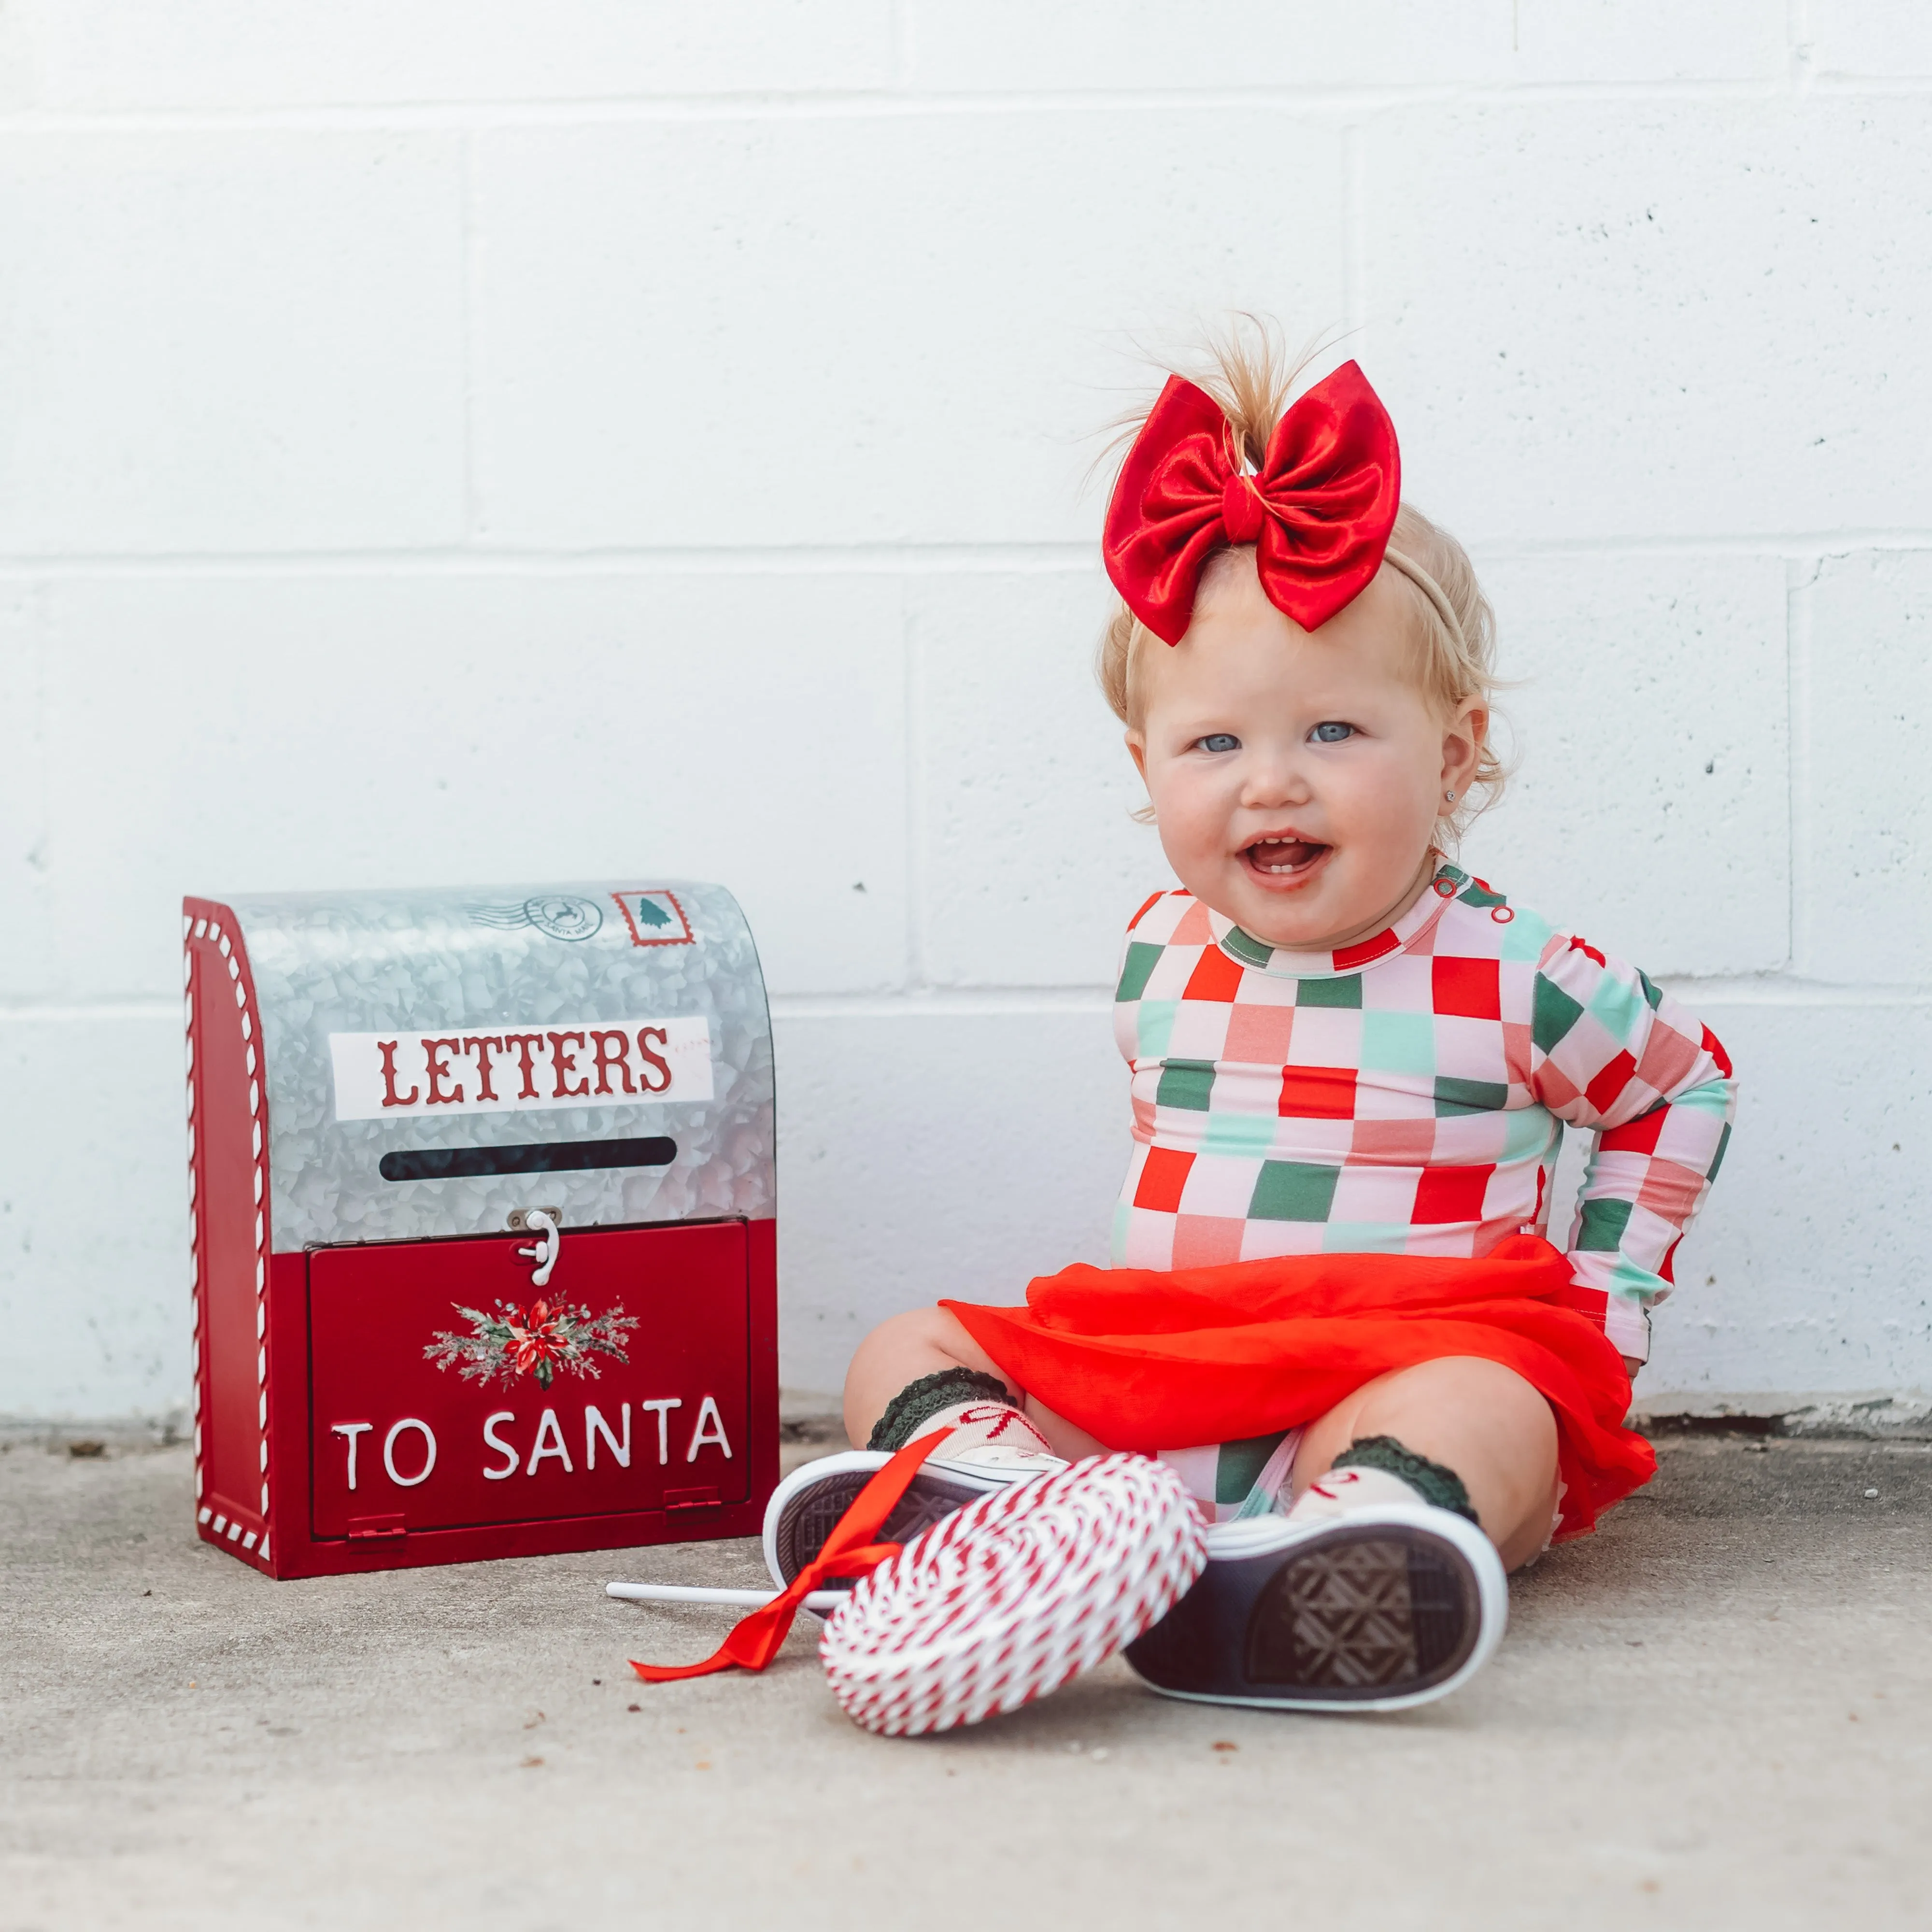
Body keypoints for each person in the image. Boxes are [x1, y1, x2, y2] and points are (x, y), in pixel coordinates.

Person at [762, 325, 1735, 1715]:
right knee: (906, 1345)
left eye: (1333, 734)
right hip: (1170, 1367)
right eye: (1214, 745)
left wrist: (1603, 1309)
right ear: (1143, 764)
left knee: (1488, 1407)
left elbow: (1677, 1091)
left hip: (1391, 1368)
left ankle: (1333, 1547)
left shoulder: (1522, 969)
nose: (1270, 785)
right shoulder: (1159, 952)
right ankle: (1035, 1515)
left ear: (1454, 751)